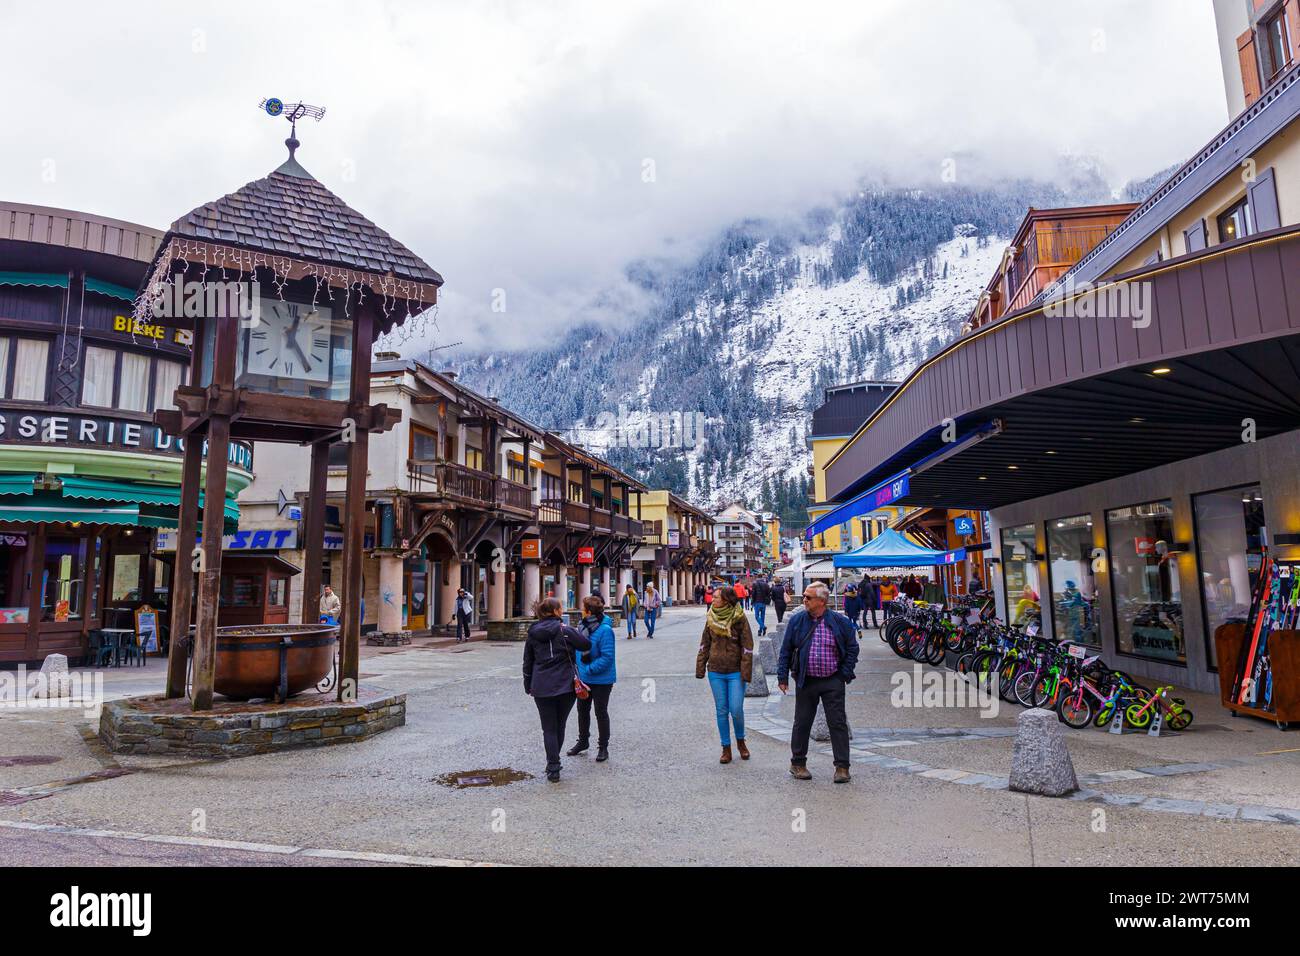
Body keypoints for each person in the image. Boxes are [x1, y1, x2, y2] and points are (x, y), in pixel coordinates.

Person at [777, 581, 859, 783]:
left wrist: (844, 674)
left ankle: (842, 767)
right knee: (802, 723)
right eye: (804, 596)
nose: (804, 600)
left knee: (837, 723)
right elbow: (786, 649)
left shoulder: (840, 622)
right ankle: (797, 763)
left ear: (822, 601)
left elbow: (852, 648)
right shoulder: (797, 621)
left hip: (833, 679)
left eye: (808, 597)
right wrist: (782, 676)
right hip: (806, 679)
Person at [523, 597, 592, 782]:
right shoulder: (566, 631)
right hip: (565, 686)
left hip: (541, 686)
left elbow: (528, 661)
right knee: (559, 725)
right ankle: (554, 763)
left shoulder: (533, 632)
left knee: (548, 728)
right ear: (555, 611)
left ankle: (553, 765)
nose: (563, 610)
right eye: (561, 607)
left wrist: (527, 684)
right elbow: (586, 644)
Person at [695, 586, 754, 764]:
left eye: (716, 598)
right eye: (713, 598)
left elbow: (747, 647)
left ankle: (741, 742)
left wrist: (745, 672)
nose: (712, 600)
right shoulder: (710, 618)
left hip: (735, 671)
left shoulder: (739, 618)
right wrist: (700, 666)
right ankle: (726, 748)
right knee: (721, 710)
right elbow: (704, 644)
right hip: (716, 670)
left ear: (727, 600)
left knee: (735, 709)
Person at [567, 595, 616, 762]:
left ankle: (603, 747)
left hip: (602, 679)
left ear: (588, 611)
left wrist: (587, 669)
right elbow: (577, 650)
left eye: (583, 609)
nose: (581, 611)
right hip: (584, 678)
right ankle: (583, 741)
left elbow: (607, 657)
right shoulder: (581, 627)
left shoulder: (605, 630)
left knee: (600, 712)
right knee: (582, 710)